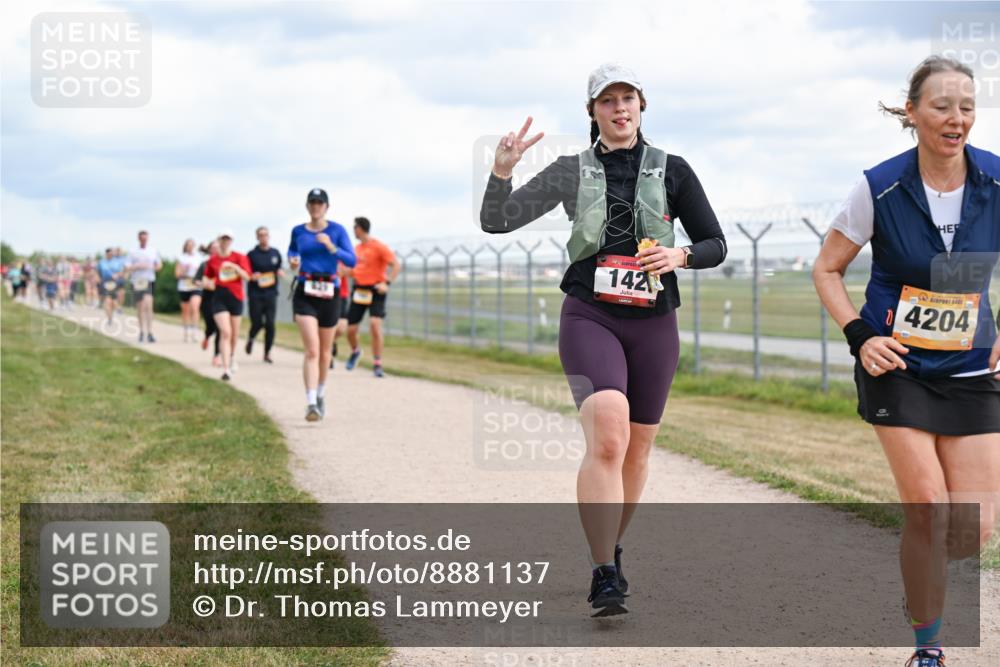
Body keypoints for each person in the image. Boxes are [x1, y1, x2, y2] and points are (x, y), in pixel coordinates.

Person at [480, 63, 727, 616]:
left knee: (638, 449)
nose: (619, 108)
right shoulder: (572, 170)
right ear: (592, 112)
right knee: (610, 436)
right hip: (591, 316)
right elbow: (497, 222)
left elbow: (716, 243)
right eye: (607, 100)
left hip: (654, 322)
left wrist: (680, 255)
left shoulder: (674, 170)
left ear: (642, 106)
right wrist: (502, 170)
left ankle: (610, 545)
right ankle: (604, 572)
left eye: (628, 99)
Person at [812, 56, 999, 667]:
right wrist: (861, 335)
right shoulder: (880, 187)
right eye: (942, 105)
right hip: (899, 367)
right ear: (912, 112)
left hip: (973, 372)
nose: (957, 117)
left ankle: (921, 583)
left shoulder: (997, 180)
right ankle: (928, 646)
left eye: (967, 105)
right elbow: (828, 268)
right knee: (929, 507)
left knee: (971, 532)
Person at [288, 188, 356, 421]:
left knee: (325, 352)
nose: (316, 207)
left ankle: (321, 395)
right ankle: (310, 403)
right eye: (312, 203)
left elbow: (351, 260)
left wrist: (331, 247)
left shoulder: (337, 231)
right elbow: (292, 250)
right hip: (305, 291)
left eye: (320, 203)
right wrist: (292, 259)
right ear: (307, 206)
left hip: (330, 292)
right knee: (312, 350)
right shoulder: (298, 231)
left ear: (327, 207)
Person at [343, 217, 400, 378]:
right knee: (351, 329)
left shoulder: (379, 247)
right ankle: (355, 351)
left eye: (355, 228)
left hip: (376, 290)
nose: (353, 231)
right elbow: (354, 270)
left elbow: (396, 265)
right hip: (359, 290)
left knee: (375, 325)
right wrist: (344, 272)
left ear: (360, 229)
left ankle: (377, 363)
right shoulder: (356, 249)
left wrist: (387, 283)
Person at [202, 230, 251, 381]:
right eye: (223, 239)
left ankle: (231, 356)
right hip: (219, 298)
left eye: (228, 239)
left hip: (236, 298)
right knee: (225, 332)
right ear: (219, 240)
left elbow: (247, 277)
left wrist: (234, 267)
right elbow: (206, 277)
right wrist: (207, 283)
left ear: (232, 241)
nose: (225, 241)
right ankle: (226, 368)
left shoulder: (239, 257)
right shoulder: (213, 260)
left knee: (234, 334)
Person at [245, 226, 284, 364]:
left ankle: (267, 353)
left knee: (270, 324)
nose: (263, 237)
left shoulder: (275, 253)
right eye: (260, 235)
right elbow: (246, 273)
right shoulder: (251, 254)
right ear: (257, 237)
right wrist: (252, 275)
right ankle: (251, 338)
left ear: (269, 236)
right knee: (257, 322)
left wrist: (280, 271)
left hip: (271, 293)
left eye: (266, 235)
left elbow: (279, 267)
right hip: (255, 293)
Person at [127, 230, 162, 342]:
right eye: (142, 238)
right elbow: (127, 266)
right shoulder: (133, 251)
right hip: (137, 281)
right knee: (140, 306)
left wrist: (150, 267)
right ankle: (142, 331)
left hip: (149, 280)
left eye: (145, 238)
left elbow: (159, 266)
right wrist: (136, 266)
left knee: (149, 305)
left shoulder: (153, 251)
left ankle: (150, 332)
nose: (144, 240)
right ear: (139, 239)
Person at [195, 241, 222, 366]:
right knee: (210, 326)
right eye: (214, 248)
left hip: (221, 298)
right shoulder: (204, 264)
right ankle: (207, 336)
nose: (216, 250)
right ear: (209, 250)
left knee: (220, 328)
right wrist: (203, 284)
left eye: (218, 247)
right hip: (207, 299)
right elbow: (196, 280)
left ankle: (217, 355)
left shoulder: (224, 264)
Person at [176, 239, 203, 342]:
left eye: (192, 245)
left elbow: (202, 272)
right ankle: (186, 331)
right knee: (185, 310)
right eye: (188, 245)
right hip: (184, 286)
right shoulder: (181, 258)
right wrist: (185, 271)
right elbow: (177, 274)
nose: (190, 247)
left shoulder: (198, 258)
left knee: (195, 307)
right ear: (185, 246)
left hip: (195, 286)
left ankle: (195, 331)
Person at [330, 262, 351, 369]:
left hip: (341, 294)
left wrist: (345, 271)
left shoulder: (343, 255)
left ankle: (330, 342)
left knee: (341, 327)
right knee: (329, 325)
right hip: (327, 293)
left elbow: (352, 270)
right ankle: (328, 354)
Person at [97, 247, 126, 326]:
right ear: (106, 254)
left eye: (112, 254)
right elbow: (97, 272)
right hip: (104, 283)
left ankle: (114, 312)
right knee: (107, 301)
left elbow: (122, 272)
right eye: (109, 254)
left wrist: (117, 275)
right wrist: (98, 279)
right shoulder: (101, 262)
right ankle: (109, 319)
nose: (111, 255)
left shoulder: (117, 262)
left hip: (114, 283)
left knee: (113, 302)